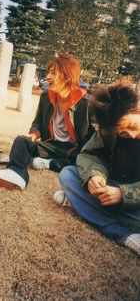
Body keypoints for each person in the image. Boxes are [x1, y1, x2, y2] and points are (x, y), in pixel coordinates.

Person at [0, 53, 95, 191]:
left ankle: (51, 164)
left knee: (83, 160)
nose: (47, 77)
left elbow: (94, 141)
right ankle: (16, 174)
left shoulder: (88, 104)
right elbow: (38, 122)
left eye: (53, 73)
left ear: (67, 76)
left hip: (75, 151)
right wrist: (33, 134)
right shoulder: (46, 96)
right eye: (48, 73)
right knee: (21, 141)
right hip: (51, 146)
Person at [59, 82, 140, 256]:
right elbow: (90, 154)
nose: (132, 136)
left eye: (133, 127)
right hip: (110, 190)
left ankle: (84, 206)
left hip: (132, 198)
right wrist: (94, 176)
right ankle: (126, 233)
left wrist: (124, 194)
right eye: (123, 133)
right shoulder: (108, 129)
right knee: (68, 175)